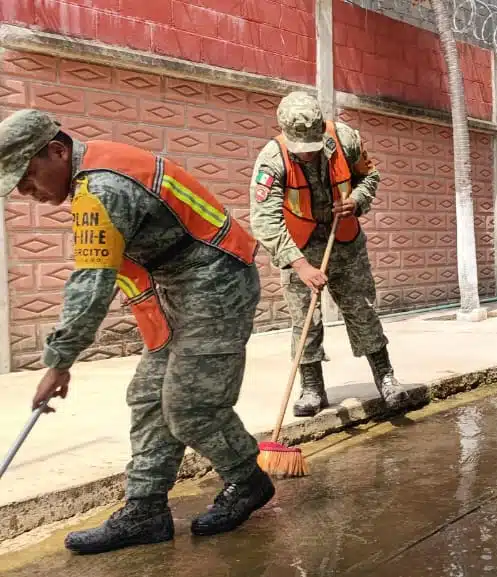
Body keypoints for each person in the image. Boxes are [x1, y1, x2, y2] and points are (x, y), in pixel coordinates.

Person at [3, 109, 273, 554]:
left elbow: (91, 285)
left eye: (28, 175)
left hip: (215, 280)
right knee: (148, 396)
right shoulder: (90, 179)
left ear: (57, 150)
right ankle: (145, 511)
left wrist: (58, 363)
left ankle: (248, 480)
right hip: (176, 283)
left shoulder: (103, 189)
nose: (25, 190)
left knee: (190, 406)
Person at [249, 91, 409, 417]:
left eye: (312, 147)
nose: (307, 155)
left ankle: (386, 378)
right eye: (301, 150)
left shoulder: (345, 139)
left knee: (362, 310)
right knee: (305, 320)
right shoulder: (272, 159)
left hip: (345, 240)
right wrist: (299, 264)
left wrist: (357, 201)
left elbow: (370, 176)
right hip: (300, 246)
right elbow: (264, 220)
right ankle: (312, 389)